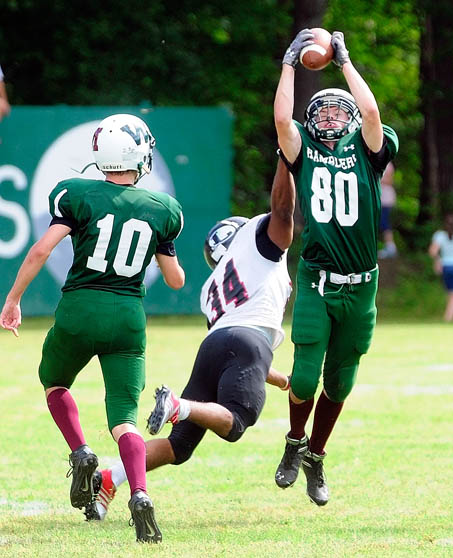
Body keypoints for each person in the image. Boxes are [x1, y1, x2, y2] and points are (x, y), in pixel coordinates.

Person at [0, 114, 185, 542]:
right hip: (128, 317)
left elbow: (42, 249)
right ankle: (139, 493)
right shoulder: (162, 210)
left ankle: (81, 449)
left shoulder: (76, 194)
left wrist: (13, 300)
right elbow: (176, 281)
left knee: (54, 381)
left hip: (80, 308)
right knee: (124, 417)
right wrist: (162, 247)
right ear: (139, 156)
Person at [84, 160, 296, 522]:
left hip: (215, 347)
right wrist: (286, 157)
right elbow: (282, 209)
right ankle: (178, 406)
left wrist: (275, 376)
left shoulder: (212, 287)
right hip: (247, 342)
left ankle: (110, 477)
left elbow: (233, 344)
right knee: (236, 423)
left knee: (179, 446)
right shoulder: (259, 245)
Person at [273, 28, 398, 506]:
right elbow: (283, 118)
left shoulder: (367, 152)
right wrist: (289, 63)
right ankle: (293, 441)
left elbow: (370, 112)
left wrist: (345, 61)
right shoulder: (303, 151)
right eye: (319, 108)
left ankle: (316, 456)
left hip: (362, 285)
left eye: (335, 108)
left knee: (341, 382)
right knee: (304, 379)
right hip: (318, 280)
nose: (328, 114)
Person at [377, 161, 398, 259]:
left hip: (386, 199)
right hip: (380, 199)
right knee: (380, 224)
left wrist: (376, 178)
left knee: (384, 223)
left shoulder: (387, 164)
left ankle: (390, 247)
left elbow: (390, 180)